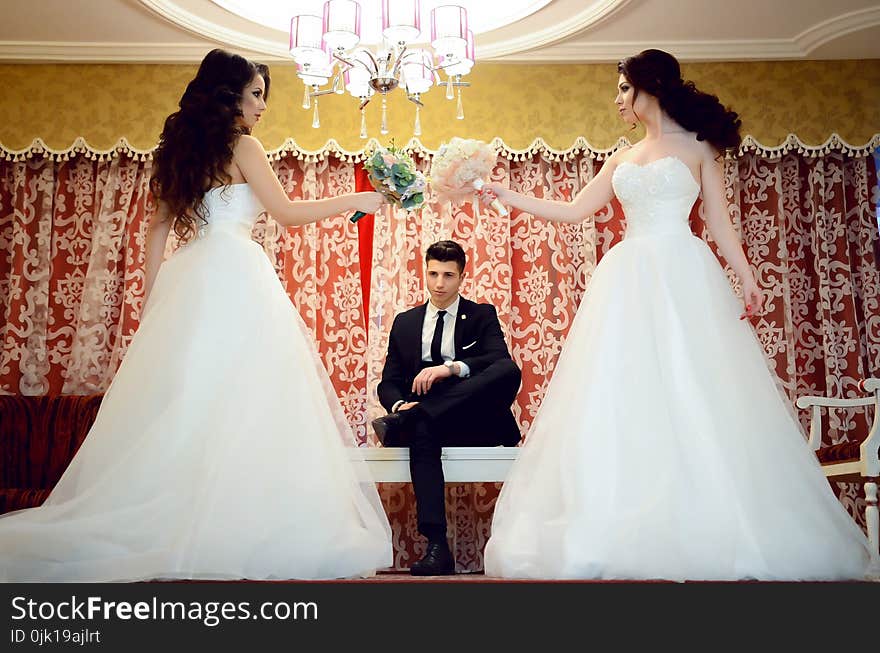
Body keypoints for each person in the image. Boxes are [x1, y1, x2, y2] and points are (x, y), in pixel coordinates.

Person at [479, 49, 875, 581]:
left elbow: (719, 222)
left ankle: (712, 521)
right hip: (626, 278)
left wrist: (749, 277)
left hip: (684, 273)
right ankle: (630, 520)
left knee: (696, 390)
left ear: (650, 87)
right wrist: (506, 194)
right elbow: (574, 211)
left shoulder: (698, 148)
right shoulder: (620, 160)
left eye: (624, 88)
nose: (618, 100)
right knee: (626, 395)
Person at [0, 48, 393, 582]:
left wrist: (155, 300)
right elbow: (287, 214)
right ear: (229, 96)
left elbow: (157, 230)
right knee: (248, 400)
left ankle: (186, 522)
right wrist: (356, 200)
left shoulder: (181, 153)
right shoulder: (244, 146)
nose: (261, 106)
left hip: (193, 275)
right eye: (255, 94)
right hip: (236, 271)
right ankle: (235, 526)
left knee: (191, 405)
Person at [373, 240, 521, 575]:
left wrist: (450, 368)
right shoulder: (405, 322)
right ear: (425, 272)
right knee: (424, 430)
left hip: (476, 418)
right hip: (433, 424)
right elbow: (389, 381)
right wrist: (398, 403)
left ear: (462, 276)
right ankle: (437, 547)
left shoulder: (481, 314)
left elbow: (498, 360)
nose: (439, 283)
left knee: (508, 369)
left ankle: (412, 418)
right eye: (433, 273)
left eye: (448, 275)